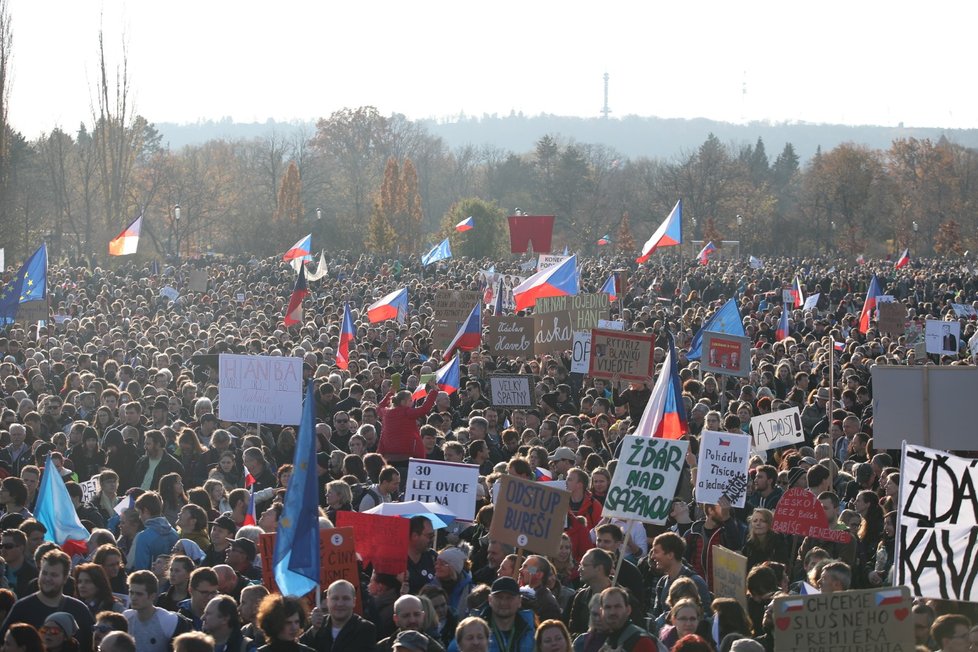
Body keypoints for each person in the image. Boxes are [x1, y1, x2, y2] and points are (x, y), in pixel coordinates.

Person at [0, 550, 94, 652]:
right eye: (44, 573)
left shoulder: (79, 610)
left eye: (54, 575)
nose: (47, 579)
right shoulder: (22, 608)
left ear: (65, 578)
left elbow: (90, 645)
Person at [447, 578, 533, 652]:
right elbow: (452, 649)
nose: (503, 602)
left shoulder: (532, 631)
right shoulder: (474, 628)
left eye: (509, 598)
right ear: (490, 599)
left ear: (519, 601)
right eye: (499, 597)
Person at [124, 570, 193, 652]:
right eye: (131, 593)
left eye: (139, 594)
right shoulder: (126, 617)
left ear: (152, 596)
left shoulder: (167, 620)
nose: (133, 597)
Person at [649, 533, 712, 621]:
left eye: (656, 552)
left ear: (670, 555)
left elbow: (706, 616)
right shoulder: (662, 583)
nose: (652, 556)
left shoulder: (696, 582)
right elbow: (656, 614)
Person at [302, 580, 376, 652]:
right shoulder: (316, 625)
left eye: (345, 598)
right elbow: (297, 647)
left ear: (354, 602)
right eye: (335, 598)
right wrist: (314, 630)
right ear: (328, 601)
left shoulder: (365, 629)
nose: (340, 604)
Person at [597, 587, 663, 652]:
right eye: (607, 607)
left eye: (617, 606)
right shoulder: (601, 639)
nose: (612, 612)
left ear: (628, 610)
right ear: (601, 611)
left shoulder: (642, 641)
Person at [565, 548, 613, 636]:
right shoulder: (580, 597)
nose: (579, 569)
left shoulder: (622, 598)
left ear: (599, 568)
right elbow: (572, 632)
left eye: (584, 565)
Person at [128, 492, 180, 571]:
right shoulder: (174, 533)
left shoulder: (143, 537)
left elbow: (141, 569)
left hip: (150, 581)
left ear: (145, 511)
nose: (139, 517)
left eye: (139, 513)